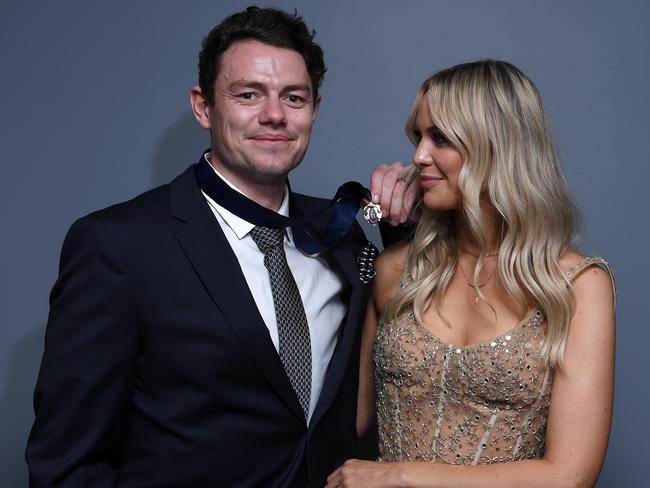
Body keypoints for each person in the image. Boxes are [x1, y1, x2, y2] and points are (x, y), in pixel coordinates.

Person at [25, 7, 412, 487]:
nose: (274, 115)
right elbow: (67, 461)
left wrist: (412, 217)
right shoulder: (118, 245)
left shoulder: (347, 232)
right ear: (203, 106)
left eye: (294, 97)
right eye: (248, 94)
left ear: (315, 109)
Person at [327, 60, 616, 487]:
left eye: (439, 138)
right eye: (418, 136)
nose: (418, 156)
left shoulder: (577, 286)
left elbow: (570, 476)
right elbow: (345, 422)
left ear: (497, 146)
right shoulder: (394, 269)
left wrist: (402, 475)